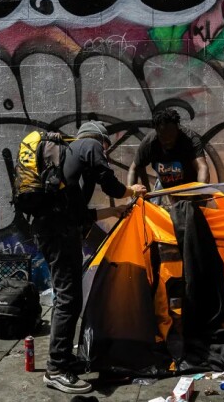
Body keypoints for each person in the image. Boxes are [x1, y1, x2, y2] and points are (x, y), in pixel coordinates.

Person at [34, 120, 146, 395]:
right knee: (68, 299)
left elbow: (80, 215)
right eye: (106, 147)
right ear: (101, 140)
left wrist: (115, 211)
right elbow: (108, 181)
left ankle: (63, 359)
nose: (104, 152)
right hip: (59, 234)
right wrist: (131, 191)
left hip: (52, 230)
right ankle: (56, 369)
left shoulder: (68, 164)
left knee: (69, 298)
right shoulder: (90, 144)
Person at [127, 108, 209, 192]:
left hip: (191, 190)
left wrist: (201, 190)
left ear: (177, 128)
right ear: (156, 131)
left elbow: (202, 167)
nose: (167, 140)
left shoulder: (190, 140)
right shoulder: (149, 143)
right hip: (167, 189)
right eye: (162, 136)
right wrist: (130, 196)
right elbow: (134, 169)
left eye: (171, 135)